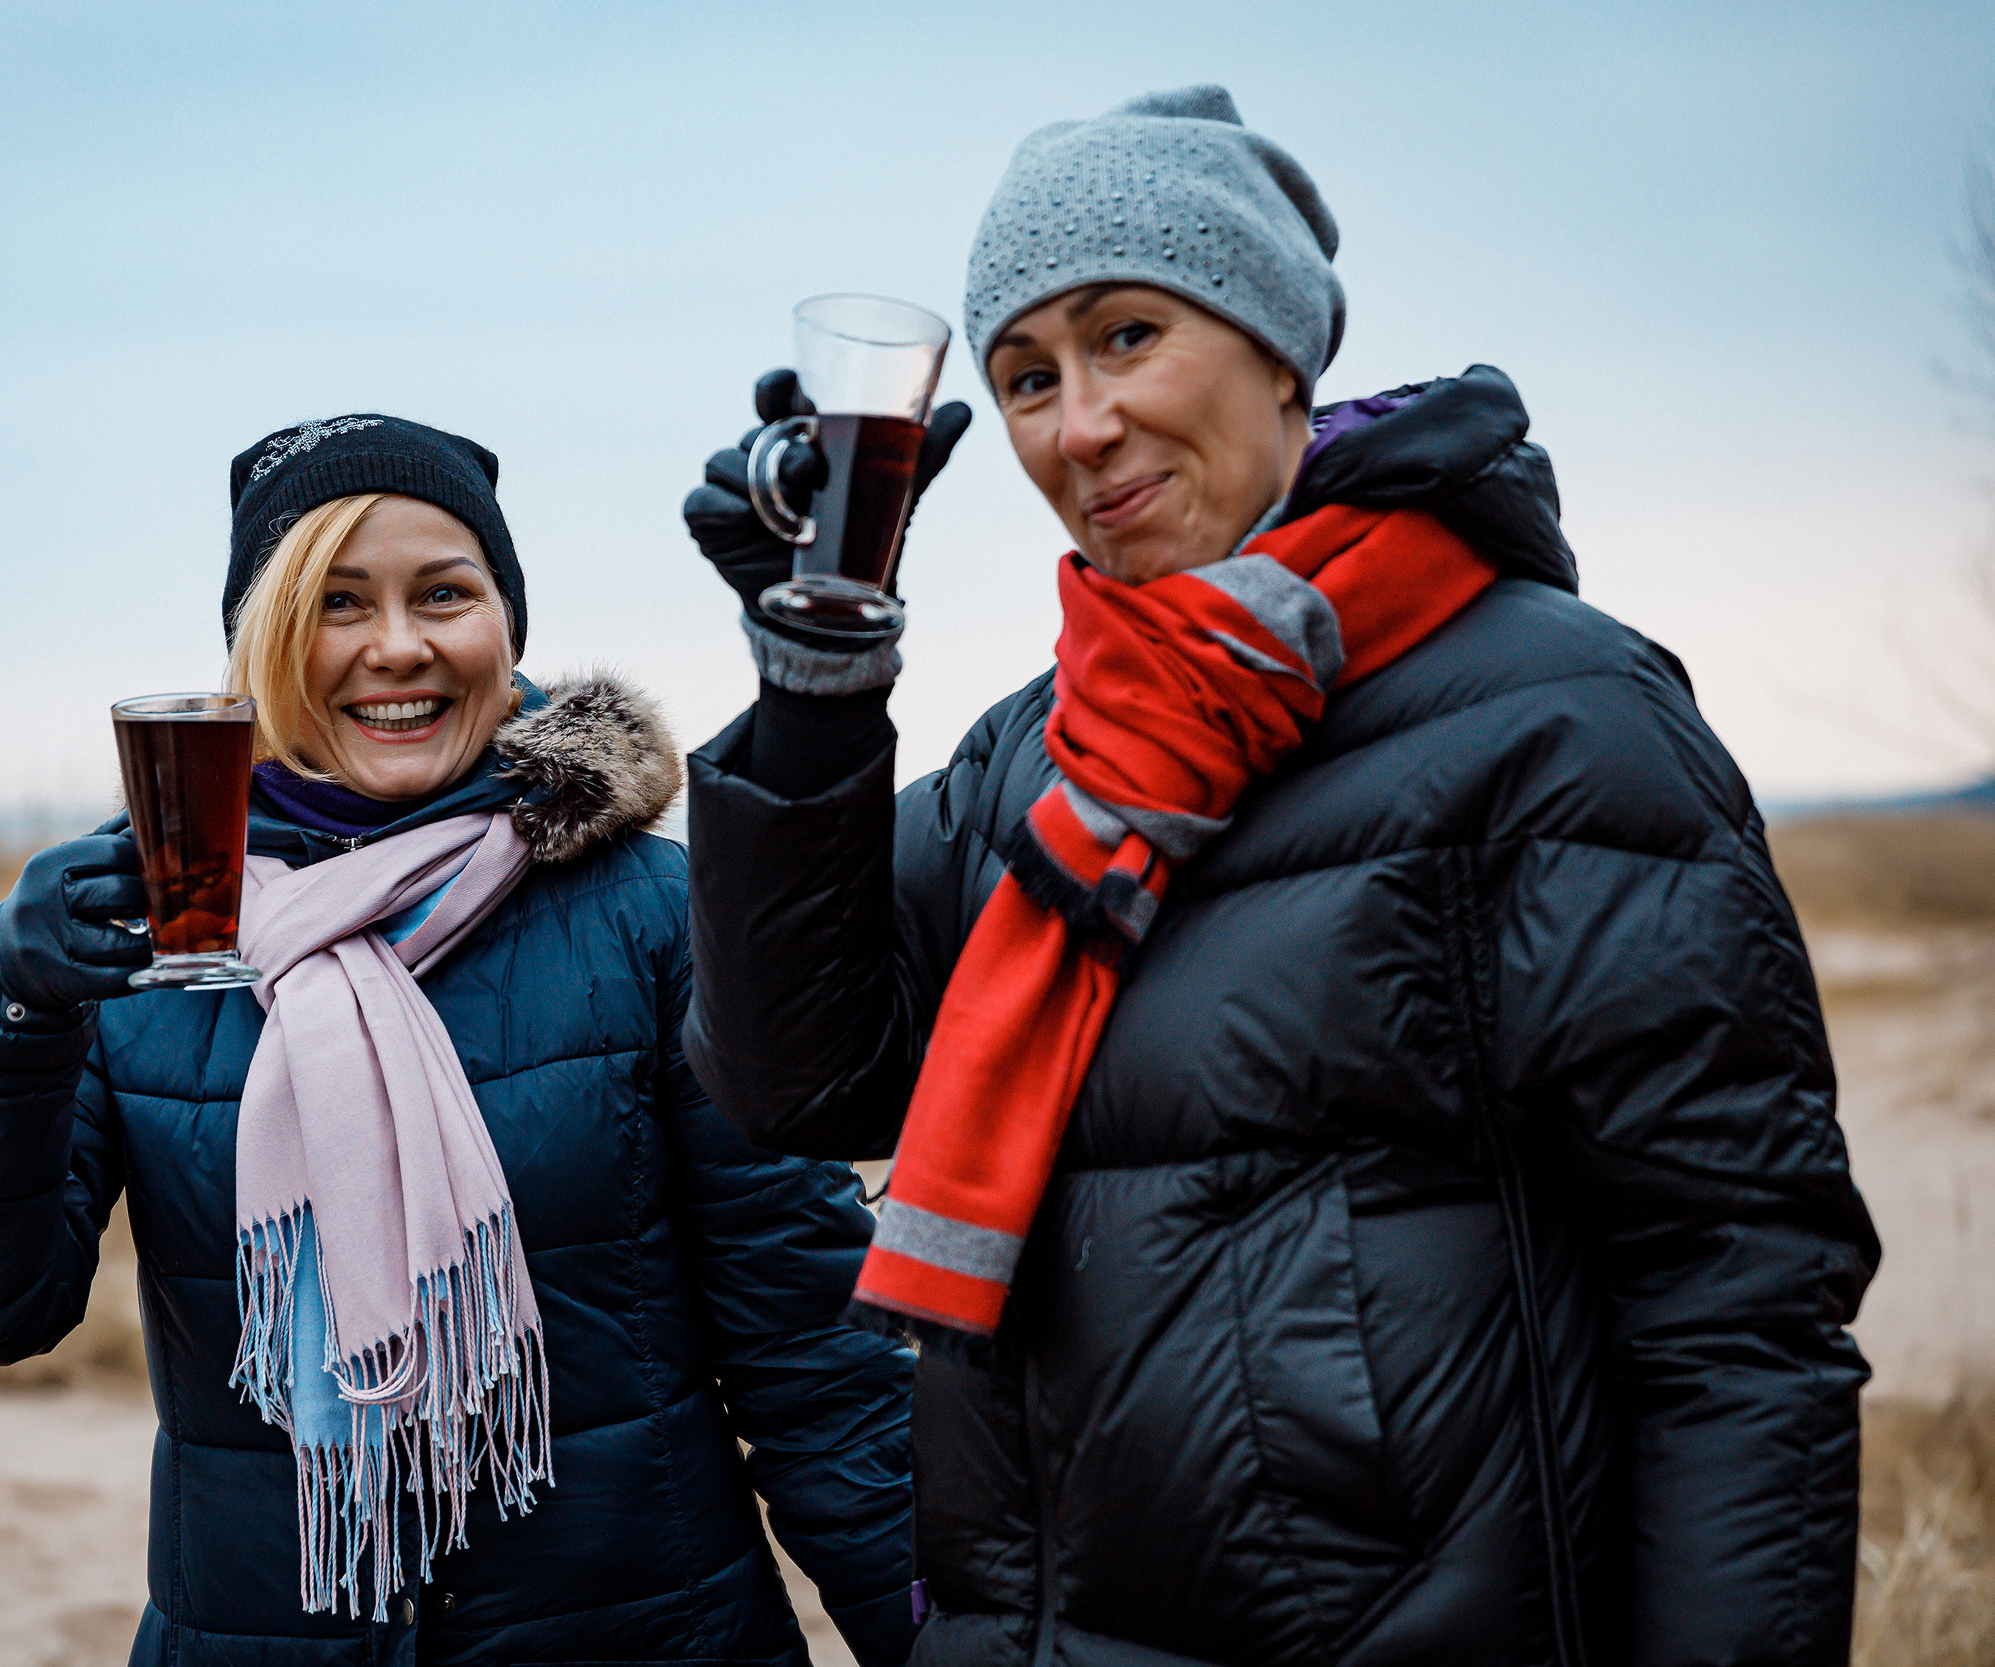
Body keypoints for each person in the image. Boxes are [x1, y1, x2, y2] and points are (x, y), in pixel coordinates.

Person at [679, 87, 1877, 1667]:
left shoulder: (1557, 720)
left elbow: (1735, 1307)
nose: (1077, 426)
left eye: (1126, 336)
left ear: (1280, 346)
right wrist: (816, 689)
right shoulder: (1032, 758)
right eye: (1025, 375)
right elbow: (801, 1076)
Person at [0, 416, 919, 1667]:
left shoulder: (654, 914)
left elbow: (817, 1358)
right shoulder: (147, 930)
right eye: (336, 602)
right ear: (261, 642)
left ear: (506, 625)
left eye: (444, 594)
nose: (397, 645)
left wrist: (930, 1633)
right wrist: (6, 1001)